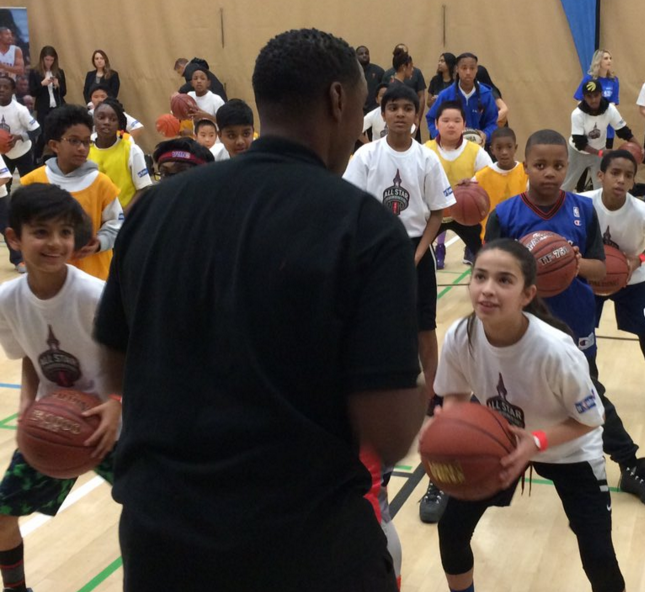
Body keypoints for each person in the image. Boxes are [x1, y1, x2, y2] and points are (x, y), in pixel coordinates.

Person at [95, 28, 425, 591]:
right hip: (301, 544)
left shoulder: (155, 209)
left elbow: (114, 370)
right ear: (339, 101)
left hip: (161, 539)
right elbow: (388, 433)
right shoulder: (366, 228)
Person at [485, 129, 645, 511]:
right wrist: (523, 266)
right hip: (517, 324)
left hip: (573, 322)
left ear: (568, 167)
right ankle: (463, 466)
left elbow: (600, 267)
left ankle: (631, 464)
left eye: (557, 165)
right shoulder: (505, 214)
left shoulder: (582, 210)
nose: (549, 173)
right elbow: (488, 272)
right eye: (540, 165)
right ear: (526, 168)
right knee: (490, 394)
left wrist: (568, 261)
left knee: (590, 396)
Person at [433, 238, 626, 592]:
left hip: (568, 447)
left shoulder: (555, 350)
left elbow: (591, 419)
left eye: (504, 280)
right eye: (479, 277)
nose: (487, 290)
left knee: (598, 554)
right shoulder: (461, 336)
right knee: (452, 529)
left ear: (527, 294)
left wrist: (535, 441)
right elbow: (455, 399)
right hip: (501, 447)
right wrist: (450, 440)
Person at [0, 183, 121, 592]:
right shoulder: (8, 300)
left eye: (65, 232)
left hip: (112, 426)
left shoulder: (94, 296)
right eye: (41, 232)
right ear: (14, 238)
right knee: (1, 518)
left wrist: (119, 403)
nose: (55, 243)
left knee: (155, 514)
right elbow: (32, 357)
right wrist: (27, 406)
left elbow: (134, 355)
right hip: (55, 425)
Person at [344, 84, 455, 525]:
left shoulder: (426, 157)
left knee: (423, 329)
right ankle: (372, 389)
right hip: (372, 248)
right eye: (394, 107)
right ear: (382, 111)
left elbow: (437, 212)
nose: (401, 114)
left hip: (414, 250)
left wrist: (416, 252)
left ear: (417, 113)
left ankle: (434, 395)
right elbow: (350, 204)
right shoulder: (365, 157)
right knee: (367, 327)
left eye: (409, 108)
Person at [581, 149, 645, 411]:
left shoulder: (642, 210)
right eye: (615, 173)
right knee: (582, 331)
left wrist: (639, 259)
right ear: (601, 175)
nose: (621, 180)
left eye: (628, 175)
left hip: (631, 280)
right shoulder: (583, 204)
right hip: (591, 277)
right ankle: (588, 383)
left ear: (634, 181)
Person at [20, 105, 122, 281]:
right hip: (46, 278)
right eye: (74, 141)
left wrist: (99, 242)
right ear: (54, 145)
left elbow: (116, 223)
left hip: (93, 278)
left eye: (86, 141)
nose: (82, 148)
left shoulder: (101, 183)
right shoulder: (33, 182)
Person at [425, 100, 492, 269]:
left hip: (468, 215)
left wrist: (474, 182)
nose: (451, 125)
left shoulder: (476, 152)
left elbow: (490, 179)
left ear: (464, 125)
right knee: (416, 252)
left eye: (456, 121)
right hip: (434, 213)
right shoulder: (425, 151)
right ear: (436, 124)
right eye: (445, 121)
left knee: (487, 257)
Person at [563, 79, 635, 192]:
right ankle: (558, 207)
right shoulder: (577, 114)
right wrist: (600, 153)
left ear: (601, 94)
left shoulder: (610, 109)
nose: (593, 100)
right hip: (578, 153)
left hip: (599, 151)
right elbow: (579, 143)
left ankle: (598, 210)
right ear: (584, 97)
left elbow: (623, 130)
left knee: (601, 187)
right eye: (589, 96)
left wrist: (638, 146)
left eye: (596, 95)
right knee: (566, 185)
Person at [89, 98, 152, 214]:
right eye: (101, 117)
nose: (107, 122)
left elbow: (143, 188)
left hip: (122, 218)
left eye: (113, 119)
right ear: (94, 120)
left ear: (120, 124)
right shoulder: (86, 147)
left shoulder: (132, 150)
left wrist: (124, 215)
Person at [426, 53, 499, 146]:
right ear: (457, 69)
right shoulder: (446, 95)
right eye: (464, 68)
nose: (468, 72)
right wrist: (439, 136)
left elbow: (492, 123)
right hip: (450, 148)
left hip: (477, 149)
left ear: (476, 69)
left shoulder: (485, 94)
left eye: (472, 68)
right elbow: (431, 118)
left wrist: (486, 134)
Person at [472, 127, 528, 241]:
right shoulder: (481, 176)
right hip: (492, 235)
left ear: (515, 148)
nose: (504, 152)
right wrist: (465, 187)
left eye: (509, 147)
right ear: (492, 150)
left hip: (521, 234)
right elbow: (466, 197)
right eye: (499, 148)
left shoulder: (526, 172)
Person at [0, 74, 41, 193]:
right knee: (4, 185)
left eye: (6, 87)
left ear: (13, 91)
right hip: (4, 152)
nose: (1, 89)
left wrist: (18, 137)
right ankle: (5, 208)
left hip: (22, 152)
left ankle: (31, 208)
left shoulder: (20, 110)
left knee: (28, 184)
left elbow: (37, 130)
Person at [574, 49, 620, 149]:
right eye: (606, 58)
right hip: (591, 122)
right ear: (598, 61)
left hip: (607, 124)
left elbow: (613, 103)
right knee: (590, 153)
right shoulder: (589, 79)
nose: (609, 61)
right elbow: (579, 101)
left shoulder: (614, 80)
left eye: (610, 58)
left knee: (605, 156)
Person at [28, 46, 66, 162]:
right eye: (47, 60)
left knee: (57, 133)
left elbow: (64, 92)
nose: (49, 62)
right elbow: (32, 91)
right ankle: (36, 159)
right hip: (43, 108)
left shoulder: (59, 72)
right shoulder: (34, 72)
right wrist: (42, 83)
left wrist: (58, 85)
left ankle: (56, 158)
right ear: (42, 59)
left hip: (56, 107)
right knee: (42, 134)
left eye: (51, 60)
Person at [382, 44, 427, 140]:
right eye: (411, 66)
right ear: (404, 67)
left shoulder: (394, 84)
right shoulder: (397, 88)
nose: (413, 70)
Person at [356, 45, 385, 113]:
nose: (364, 55)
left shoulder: (378, 71)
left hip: (375, 110)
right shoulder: (352, 72)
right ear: (356, 56)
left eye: (366, 53)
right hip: (357, 111)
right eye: (361, 54)